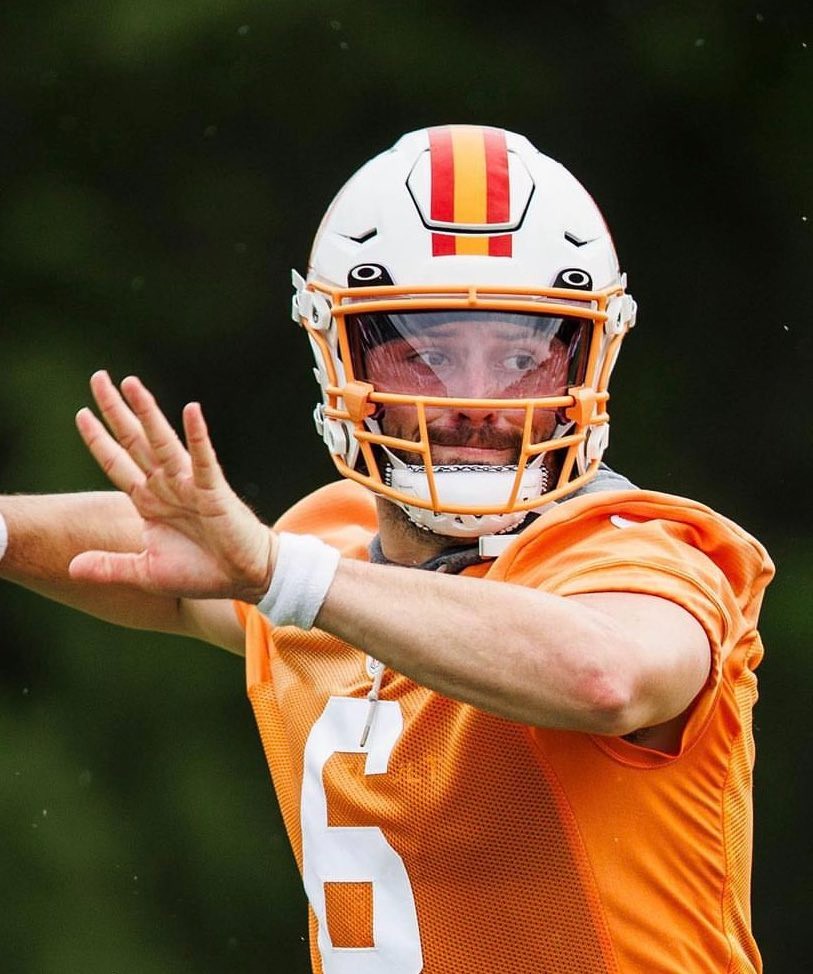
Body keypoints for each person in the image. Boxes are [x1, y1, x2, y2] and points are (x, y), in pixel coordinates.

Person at [0, 125, 773, 973]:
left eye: (522, 356)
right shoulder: (330, 561)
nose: (476, 399)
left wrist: (285, 576)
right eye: (426, 354)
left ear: (585, 367)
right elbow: (174, 567)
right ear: (338, 358)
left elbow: (603, 676)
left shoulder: (639, 554)